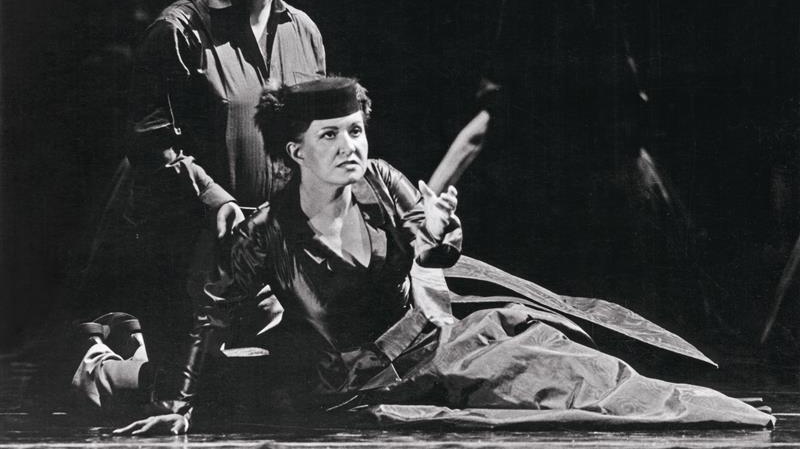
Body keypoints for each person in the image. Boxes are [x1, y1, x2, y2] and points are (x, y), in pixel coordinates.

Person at [110, 77, 771, 435]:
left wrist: (438, 230)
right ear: (295, 151)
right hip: (363, 379)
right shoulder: (264, 231)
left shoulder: (380, 181)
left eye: (356, 131)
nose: (350, 146)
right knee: (539, 392)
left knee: (572, 363)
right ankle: (109, 366)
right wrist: (181, 404)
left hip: (441, 341)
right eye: (330, 135)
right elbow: (209, 314)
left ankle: (715, 408)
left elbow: (436, 250)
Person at [72, 0, 325, 416]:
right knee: (198, 390)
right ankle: (106, 370)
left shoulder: (305, 32)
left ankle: (159, 357)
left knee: (305, 374)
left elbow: (317, 135)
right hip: (193, 236)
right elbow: (152, 143)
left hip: (274, 237)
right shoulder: (178, 29)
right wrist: (215, 200)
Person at [479, 0, 683, 311]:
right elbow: (499, 65)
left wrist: (624, 125)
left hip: (592, 145)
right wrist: (500, 100)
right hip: (534, 141)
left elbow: (623, 74)